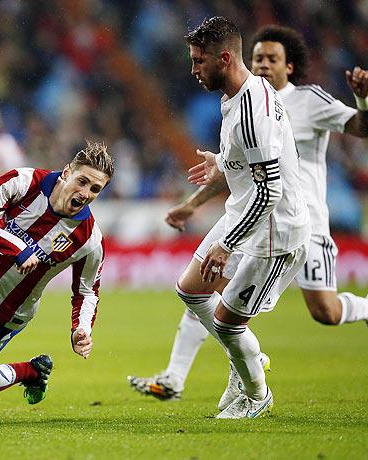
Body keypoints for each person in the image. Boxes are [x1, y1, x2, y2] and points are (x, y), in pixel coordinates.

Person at [128, 24, 368, 404]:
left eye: (273, 58)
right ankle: (195, 373)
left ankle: (254, 380)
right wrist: (204, 186)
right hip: (252, 213)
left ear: (289, 66)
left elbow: (273, 182)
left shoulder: (292, 102)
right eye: (259, 58)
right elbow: (244, 167)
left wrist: (364, 101)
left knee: (322, 310)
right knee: (201, 289)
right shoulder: (238, 96)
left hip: (290, 222)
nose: (265, 64)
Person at [143, 16, 312, 418]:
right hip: (245, 211)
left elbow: (269, 190)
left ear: (224, 58)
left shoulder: (252, 110)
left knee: (228, 323)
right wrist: (222, 164)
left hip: (274, 231)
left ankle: (256, 393)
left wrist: (226, 243)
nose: (193, 70)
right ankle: (246, 359)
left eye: (199, 61)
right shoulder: (238, 94)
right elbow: (255, 164)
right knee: (191, 288)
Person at [0, 140, 112, 404]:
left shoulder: (89, 239)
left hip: (1, 313)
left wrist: (81, 328)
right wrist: (19, 248)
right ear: (68, 171)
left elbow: (87, 290)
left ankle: (30, 371)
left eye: (95, 189)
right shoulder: (24, 182)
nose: (85, 193)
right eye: (82, 181)